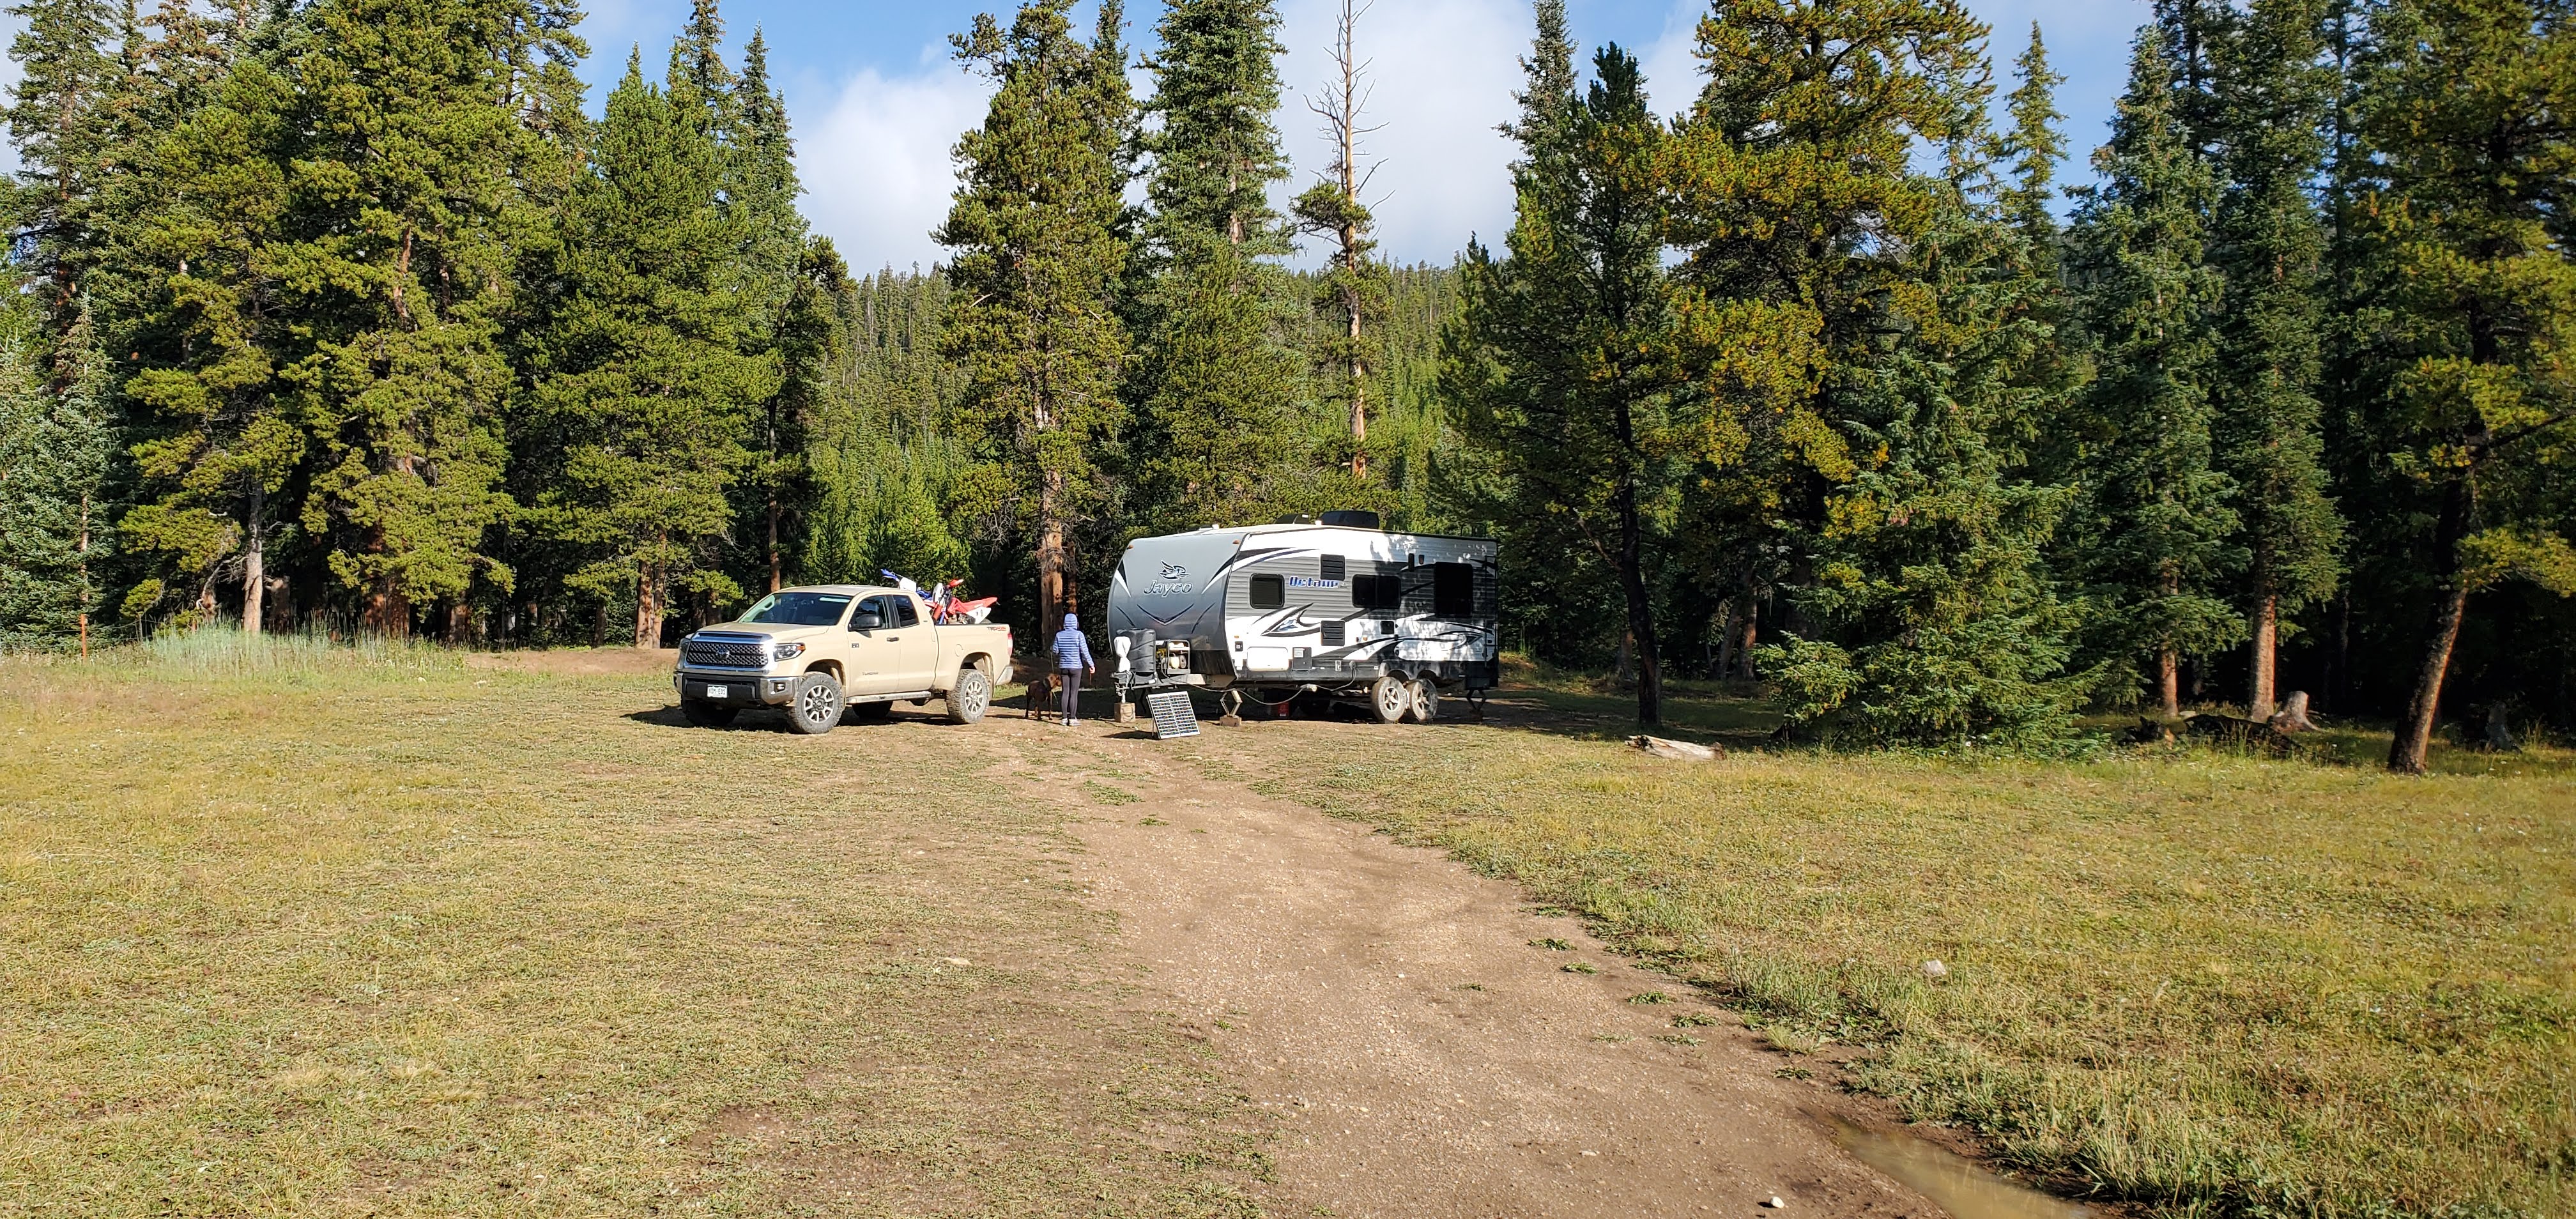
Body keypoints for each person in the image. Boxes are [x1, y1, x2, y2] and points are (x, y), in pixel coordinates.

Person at [1052, 612, 1094, 726]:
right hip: (1076, 667)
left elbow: (1055, 651)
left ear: (1065, 623)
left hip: (1064, 667)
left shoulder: (1059, 635)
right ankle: (1073, 718)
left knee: (1065, 692)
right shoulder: (1079, 635)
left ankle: (1064, 718)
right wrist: (1091, 665)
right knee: (1074, 693)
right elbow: (1084, 652)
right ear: (1075, 623)